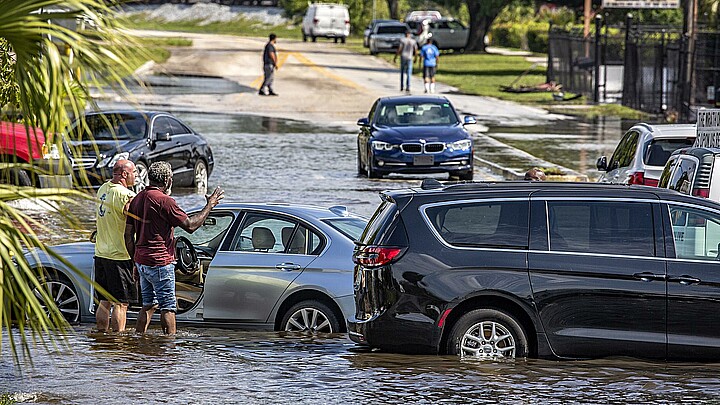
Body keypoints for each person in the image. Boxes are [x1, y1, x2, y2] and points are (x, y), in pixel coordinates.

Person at [125, 162, 224, 335]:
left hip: (142, 262)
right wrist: (210, 205)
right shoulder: (165, 201)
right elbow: (191, 226)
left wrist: (135, 261)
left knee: (148, 304)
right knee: (168, 307)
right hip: (160, 262)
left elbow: (128, 236)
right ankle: (169, 348)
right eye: (171, 178)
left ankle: (139, 341)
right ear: (167, 180)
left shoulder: (137, 199)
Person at [94, 159, 137, 333]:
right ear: (125, 174)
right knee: (121, 303)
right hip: (119, 255)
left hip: (101, 253)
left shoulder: (102, 189)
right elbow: (133, 226)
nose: (136, 176)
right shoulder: (126, 195)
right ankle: (118, 340)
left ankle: (102, 336)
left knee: (104, 300)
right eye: (135, 172)